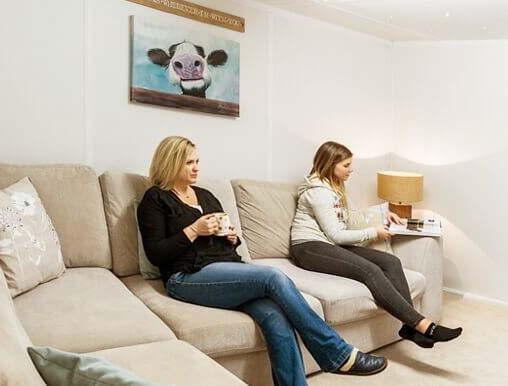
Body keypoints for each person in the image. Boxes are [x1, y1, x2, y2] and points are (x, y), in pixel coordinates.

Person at [137, 136, 386, 386]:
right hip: (187, 277)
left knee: (275, 316)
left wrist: (231, 238)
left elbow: (227, 243)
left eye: (197, 161)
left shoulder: (205, 195)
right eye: (188, 162)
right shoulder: (155, 199)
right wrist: (193, 230)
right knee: (272, 276)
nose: (196, 167)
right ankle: (336, 353)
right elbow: (156, 253)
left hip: (228, 269)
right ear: (170, 163)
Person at [290, 141, 462, 348]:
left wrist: (382, 213)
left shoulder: (334, 186)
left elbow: (351, 218)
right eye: (346, 165)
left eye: (350, 164)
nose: (350, 170)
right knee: (370, 270)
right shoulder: (319, 192)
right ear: (329, 164)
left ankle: (409, 328)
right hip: (308, 247)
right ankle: (423, 325)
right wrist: (374, 232)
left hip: (326, 244)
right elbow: (336, 235)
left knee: (390, 261)